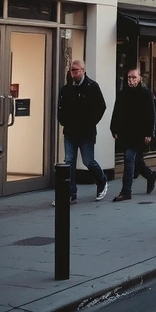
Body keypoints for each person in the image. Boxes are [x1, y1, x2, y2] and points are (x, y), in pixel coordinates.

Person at [56, 60, 108, 204]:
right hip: (70, 132)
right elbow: (61, 108)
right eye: (72, 70)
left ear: (83, 70)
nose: (73, 73)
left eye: (76, 70)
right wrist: (63, 121)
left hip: (86, 132)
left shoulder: (92, 86)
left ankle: (102, 181)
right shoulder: (66, 89)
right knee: (69, 161)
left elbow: (101, 107)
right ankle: (71, 193)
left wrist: (90, 122)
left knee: (88, 161)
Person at [109, 69, 156, 201]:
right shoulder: (122, 94)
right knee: (137, 160)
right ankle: (150, 175)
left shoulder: (146, 94)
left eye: (134, 78)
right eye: (129, 78)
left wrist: (149, 133)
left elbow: (151, 114)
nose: (131, 80)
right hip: (126, 133)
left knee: (129, 158)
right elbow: (116, 112)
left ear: (139, 78)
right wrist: (114, 129)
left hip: (140, 133)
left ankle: (126, 191)